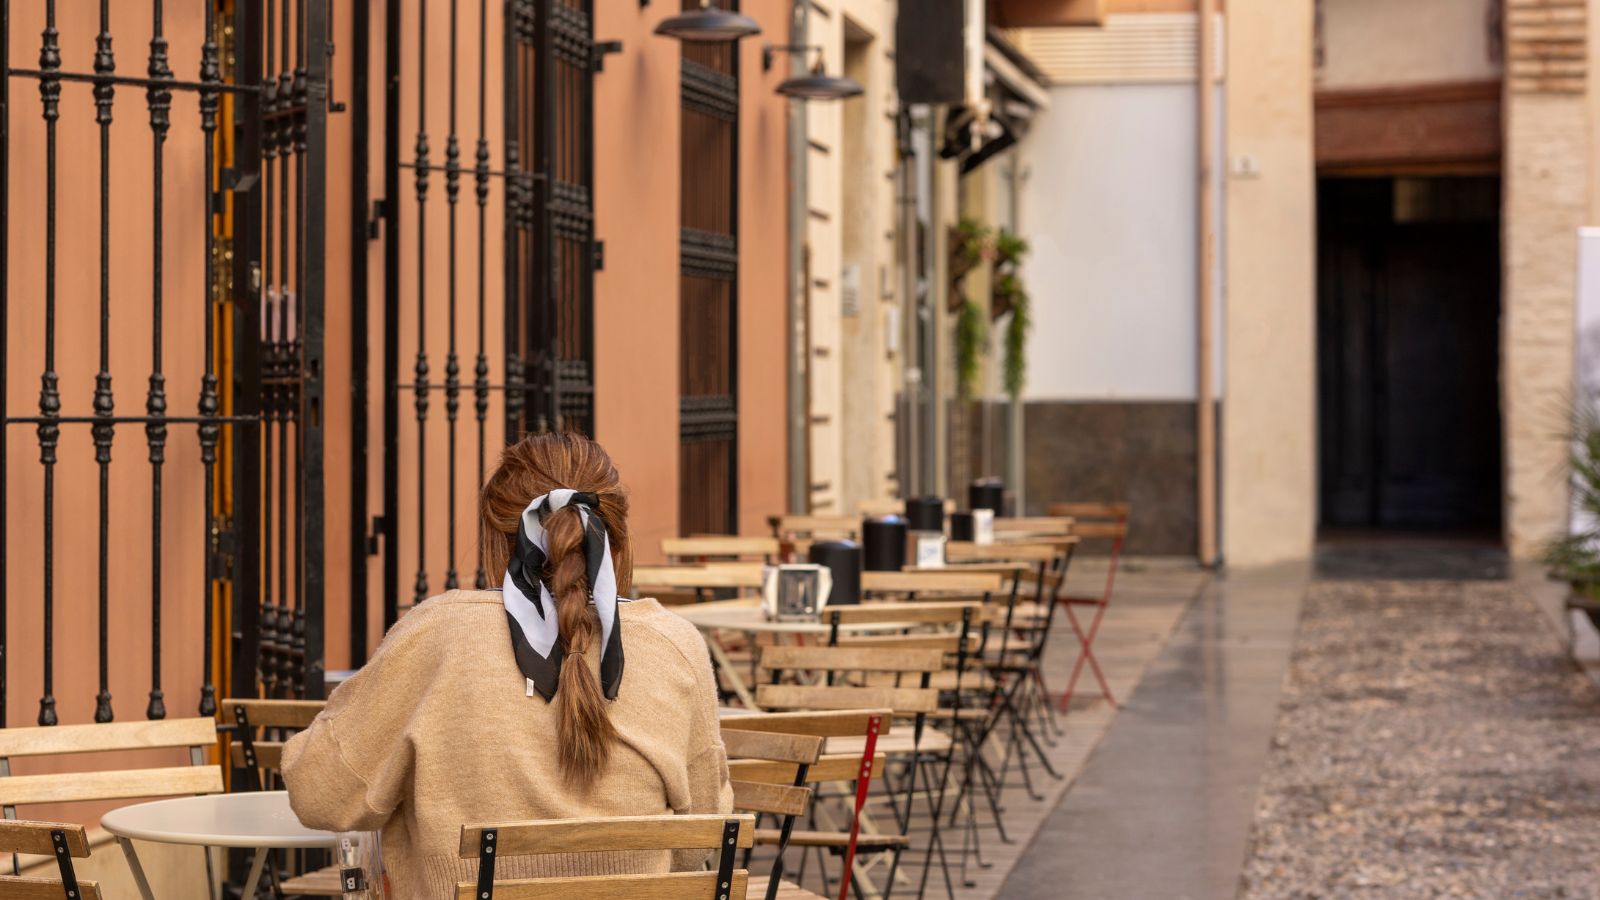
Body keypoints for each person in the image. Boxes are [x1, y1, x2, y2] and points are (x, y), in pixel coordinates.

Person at [283, 432, 733, 897]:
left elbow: (320, 794)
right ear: (615, 539)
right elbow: (701, 841)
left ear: (496, 539)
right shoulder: (675, 645)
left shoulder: (437, 635)